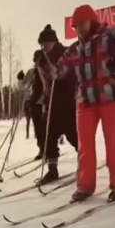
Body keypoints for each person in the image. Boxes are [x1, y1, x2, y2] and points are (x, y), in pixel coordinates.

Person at [39, 5, 115, 202]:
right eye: (76, 26)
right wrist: (44, 65)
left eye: (82, 23)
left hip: (112, 96)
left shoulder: (111, 36)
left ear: (92, 20)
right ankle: (85, 185)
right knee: (84, 146)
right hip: (86, 100)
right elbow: (59, 71)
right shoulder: (75, 49)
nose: (80, 29)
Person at [35, 25, 78, 185]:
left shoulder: (65, 53)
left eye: (46, 44)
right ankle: (52, 170)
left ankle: (86, 163)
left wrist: (47, 67)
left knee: (73, 135)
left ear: (54, 42)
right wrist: (41, 67)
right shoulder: (44, 58)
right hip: (52, 102)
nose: (44, 48)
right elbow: (47, 83)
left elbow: (63, 73)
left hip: (68, 100)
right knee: (47, 134)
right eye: (41, 45)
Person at [26, 51, 46, 160]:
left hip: (42, 102)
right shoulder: (34, 72)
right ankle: (41, 149)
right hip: (34, 103)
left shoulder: (46, 70)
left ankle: (47, 148)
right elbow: (30, 85)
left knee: (44, 128)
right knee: (37, 129)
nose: (36, 62)